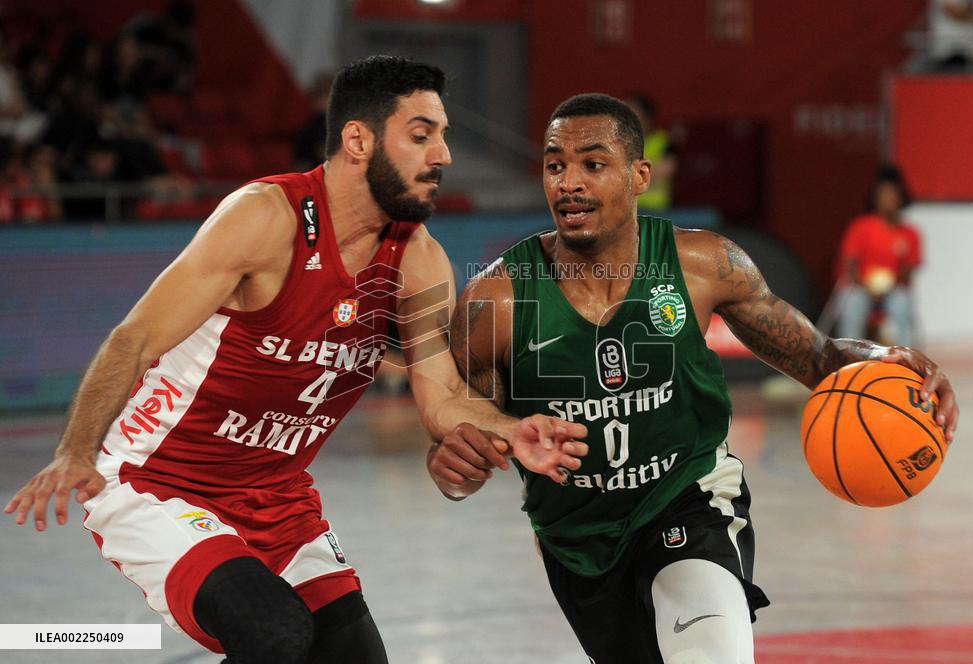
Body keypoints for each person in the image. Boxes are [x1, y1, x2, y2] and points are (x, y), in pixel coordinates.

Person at [4, 56, 585, 663]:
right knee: (274, 633)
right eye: (421, 136)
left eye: (443, 136)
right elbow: (134, 338)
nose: (443, 155)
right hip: (160, 485)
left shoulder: (418, 260)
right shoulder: (264, 219)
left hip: (278, 498)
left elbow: (443, 398)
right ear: (357, 139)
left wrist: (512, 429)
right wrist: (75, 451)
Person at [428, 93, 959, 663]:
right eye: (555, 165)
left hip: (690, 498)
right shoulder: (496, 301)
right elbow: (466, 448)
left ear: (639, 175)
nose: (568, 182)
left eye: (593, 163)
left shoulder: (703, 265)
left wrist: (888, 360)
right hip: (577, 541)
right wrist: (453, 466)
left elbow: (820, 358)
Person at [836, 165, 922, 347]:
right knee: (851, 305)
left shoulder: (910, 232)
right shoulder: (861, 226)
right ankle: (848, 357)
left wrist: (886, 285)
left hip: (893, 287)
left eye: (893, 195)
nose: (888, 200)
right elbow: (850, 263)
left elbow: (909, 269)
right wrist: (868, 285)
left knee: (902, 307)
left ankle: (905, 360)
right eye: (884, 195)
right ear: (876, 199)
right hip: (862, 286)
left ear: (901, 199)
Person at [624, 92, 677, 213]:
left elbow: (662, 172)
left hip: (656, 211)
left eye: (634, 112)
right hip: (626, 212)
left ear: (647, 116)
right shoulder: (617, 144)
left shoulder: (665, 142)